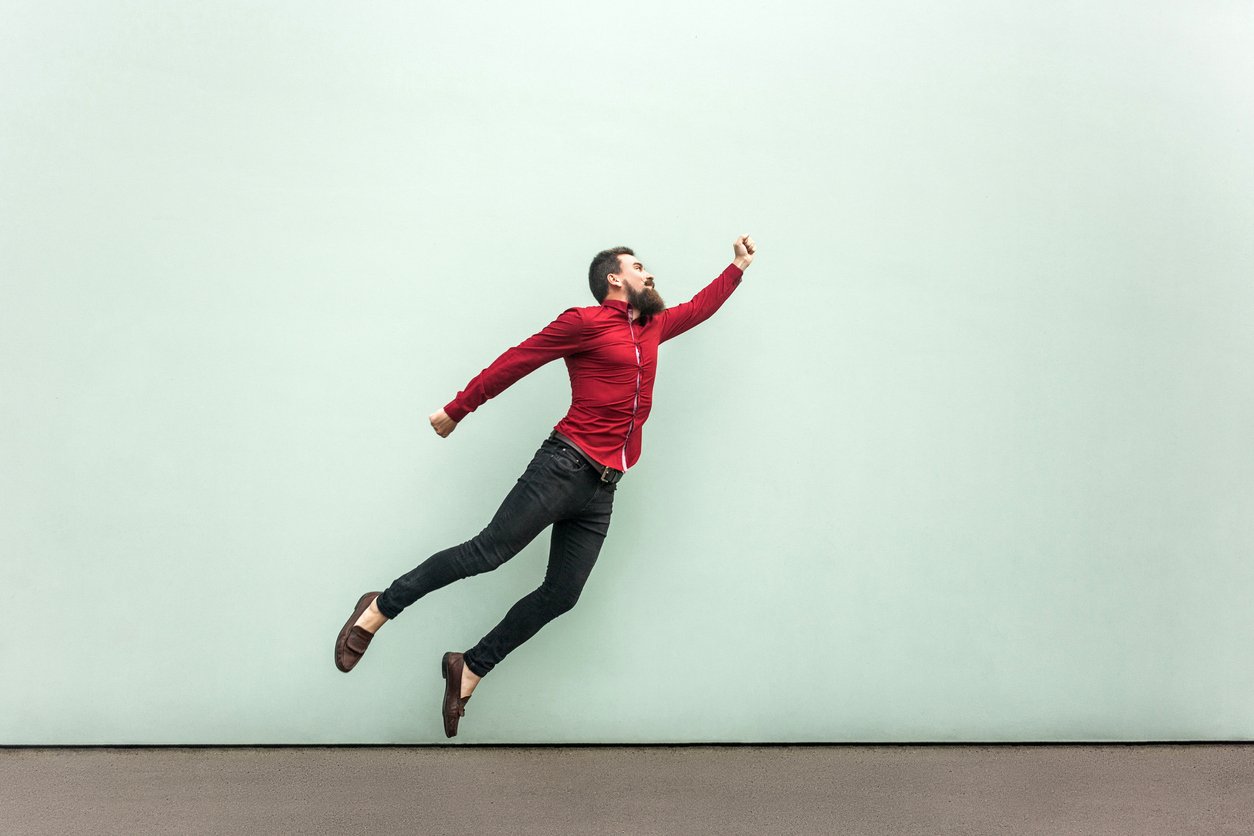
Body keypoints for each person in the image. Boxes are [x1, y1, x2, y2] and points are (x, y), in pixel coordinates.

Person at [334, 235, 758, 737]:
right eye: (639, 266)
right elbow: (519, 359)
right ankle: (381, 607)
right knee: (485, 554)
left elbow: (699, 307)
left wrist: (736, 268)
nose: (650, 274)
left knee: (562, 594)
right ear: (613, 279)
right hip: (562, 467)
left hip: (603, 487)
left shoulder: (652, 326)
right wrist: (457, 409)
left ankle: (468, 667)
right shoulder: (582, 322)